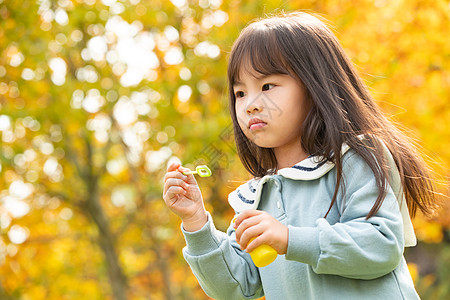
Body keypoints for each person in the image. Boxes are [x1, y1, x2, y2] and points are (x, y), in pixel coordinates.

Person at [163, 11, 437, 299]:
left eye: (267, 86)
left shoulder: (354, 158)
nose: (250, 105)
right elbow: (237, 287)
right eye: (240, 93)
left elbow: (381, 245)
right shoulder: (257, 196)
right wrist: (196, 222)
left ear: (315, 84)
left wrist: (289, 239)